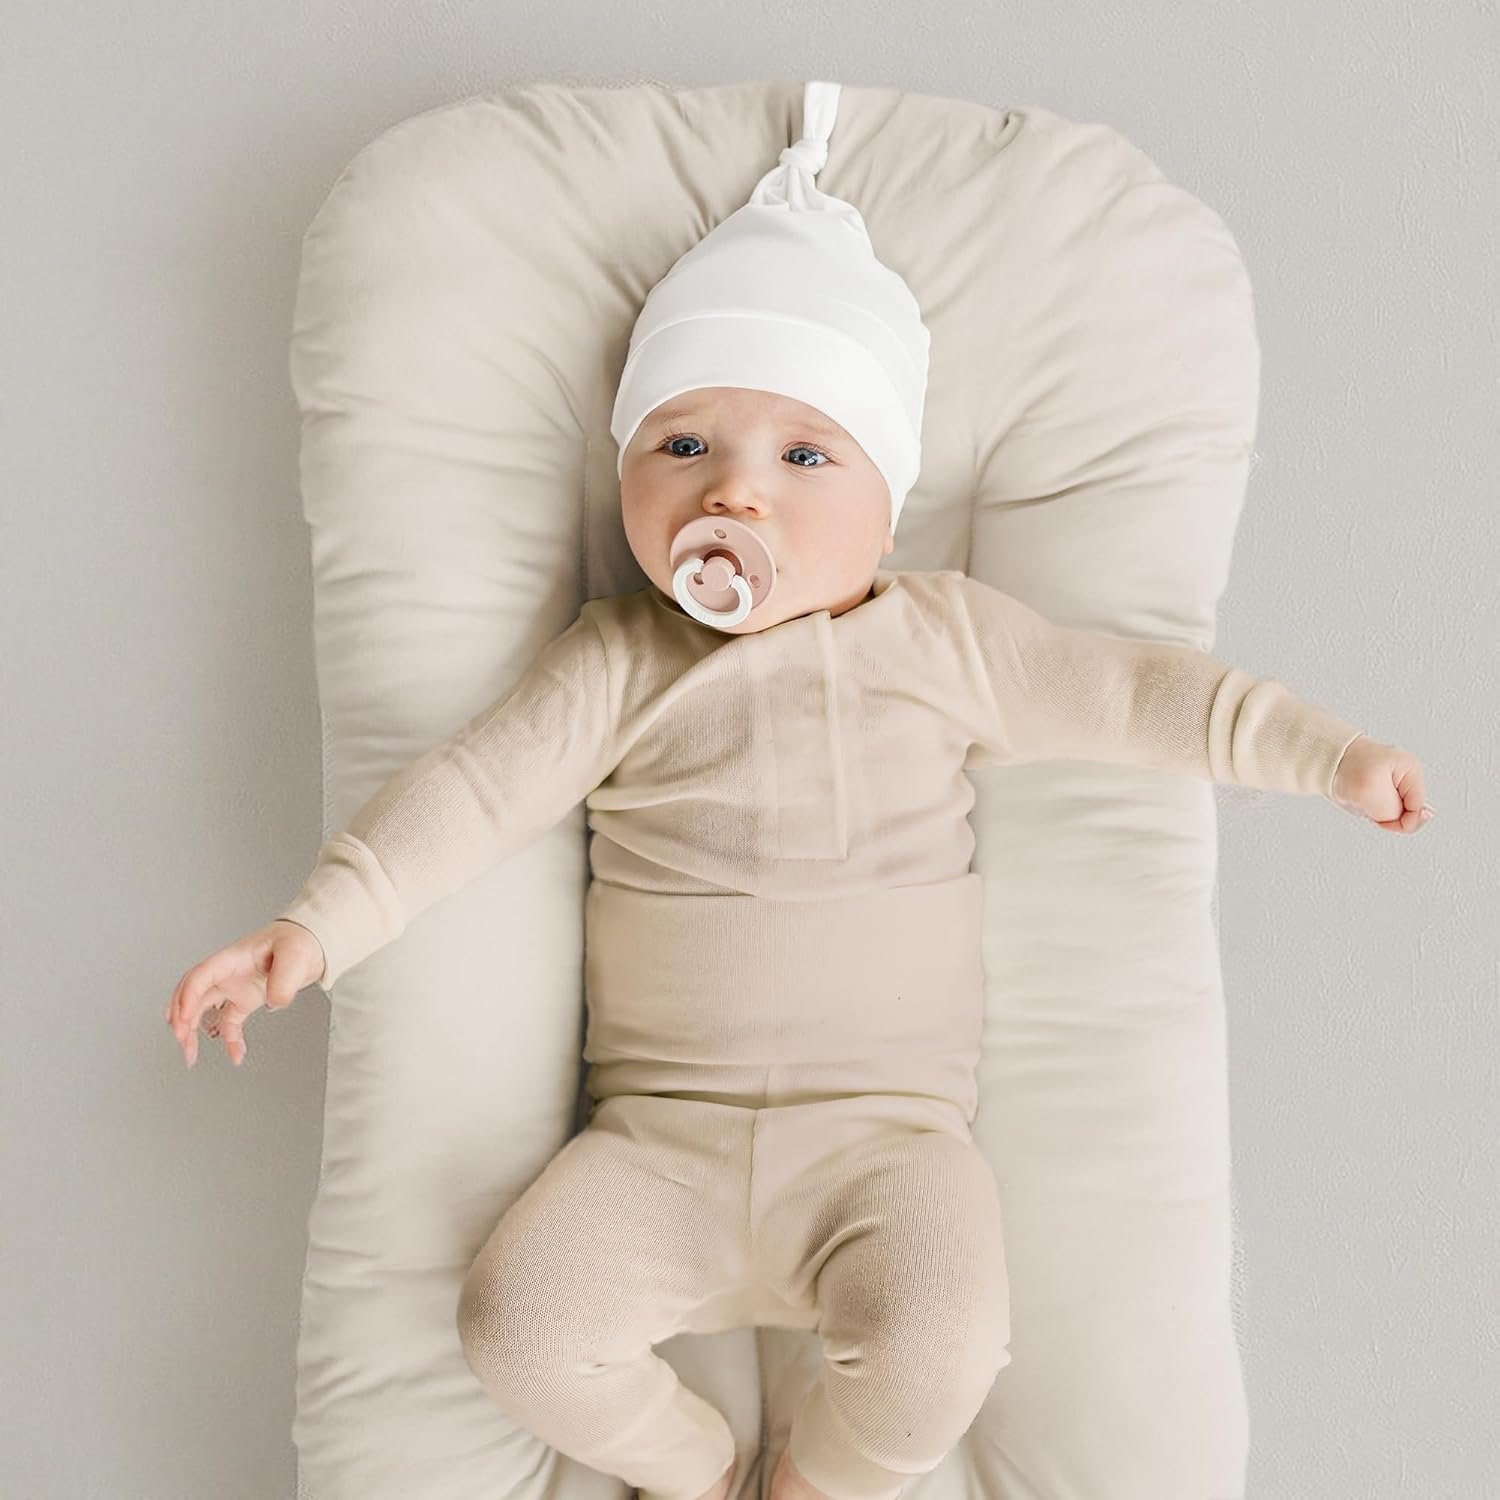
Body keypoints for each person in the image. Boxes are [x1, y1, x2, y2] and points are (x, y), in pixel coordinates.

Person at [164, 83, 1433, 1500]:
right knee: (515, 1325)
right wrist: (317, 927)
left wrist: (1325, 754)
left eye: (805, 456)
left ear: (888, 507)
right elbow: (468, 793)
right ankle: (701, 1472)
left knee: (947, 1349)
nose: (736, 494)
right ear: (628, 477)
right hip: (658, 1139)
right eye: (683, 446)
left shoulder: (940, 639)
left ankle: (818, 1483)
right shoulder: (620, 659)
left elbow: (1134, 693)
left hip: (886, 1147)